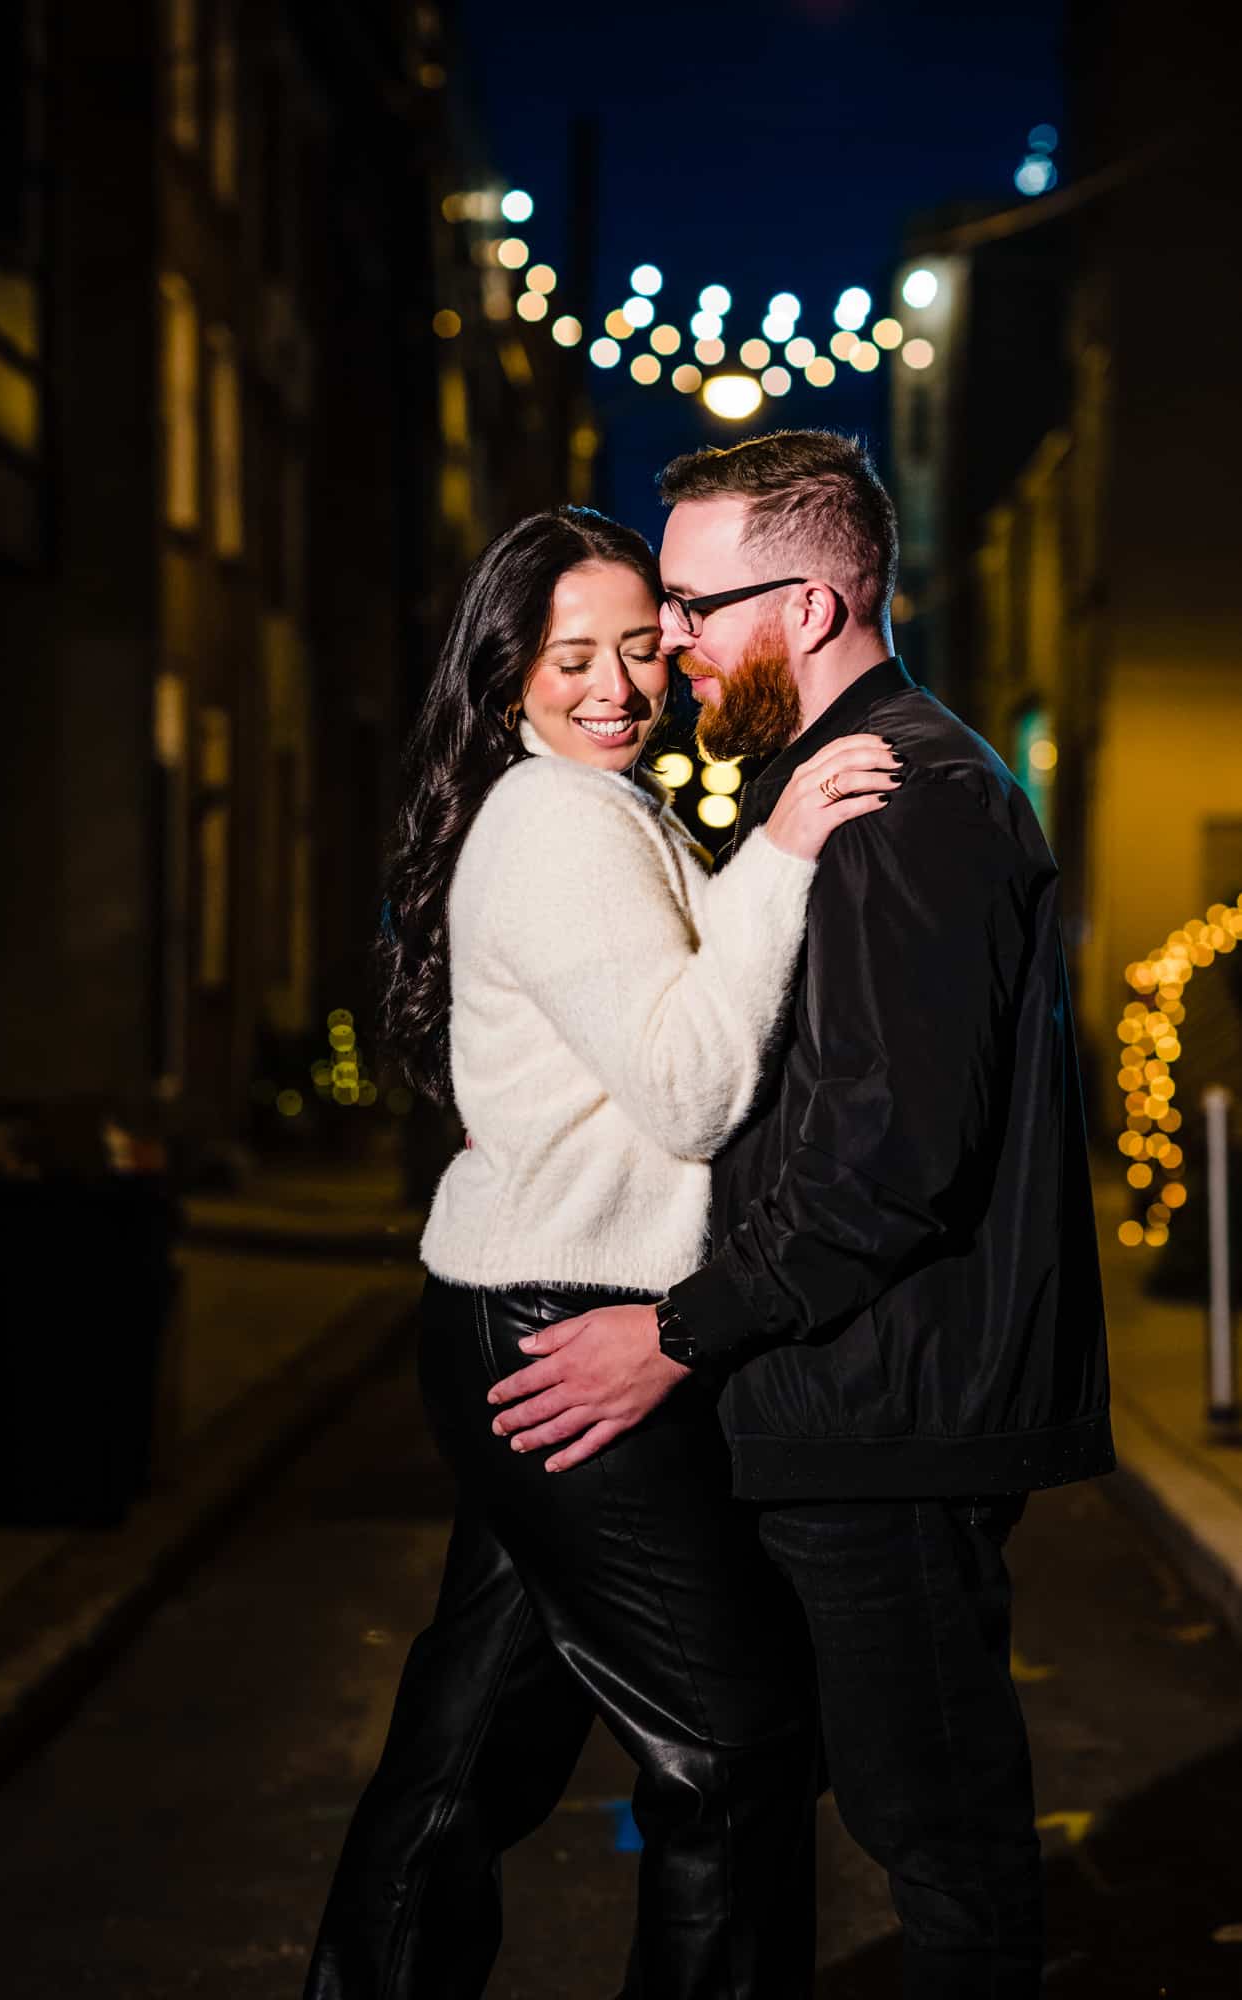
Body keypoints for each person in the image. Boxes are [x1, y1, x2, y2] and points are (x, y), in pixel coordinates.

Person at [490, 432, 1115, 2000]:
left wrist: (678, 1334)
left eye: (695, 606)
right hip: (837, 1394)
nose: (669, 645)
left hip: (889, 1414)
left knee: (939, 1831)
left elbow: (886, 1155)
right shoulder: (822, 791)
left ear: (817, 602)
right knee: (811, 1791)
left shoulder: (914, 796)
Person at [302, 504, 899, 2000]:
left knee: (471, 1753)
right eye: (571, 654)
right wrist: (778, 855)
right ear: (506, 671)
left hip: (529, 1307)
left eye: (642, 644)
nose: (616, 685)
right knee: (736, 1743)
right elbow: (690, 1088)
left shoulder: (597, 803)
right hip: (570, 1322)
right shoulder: (560, 823)